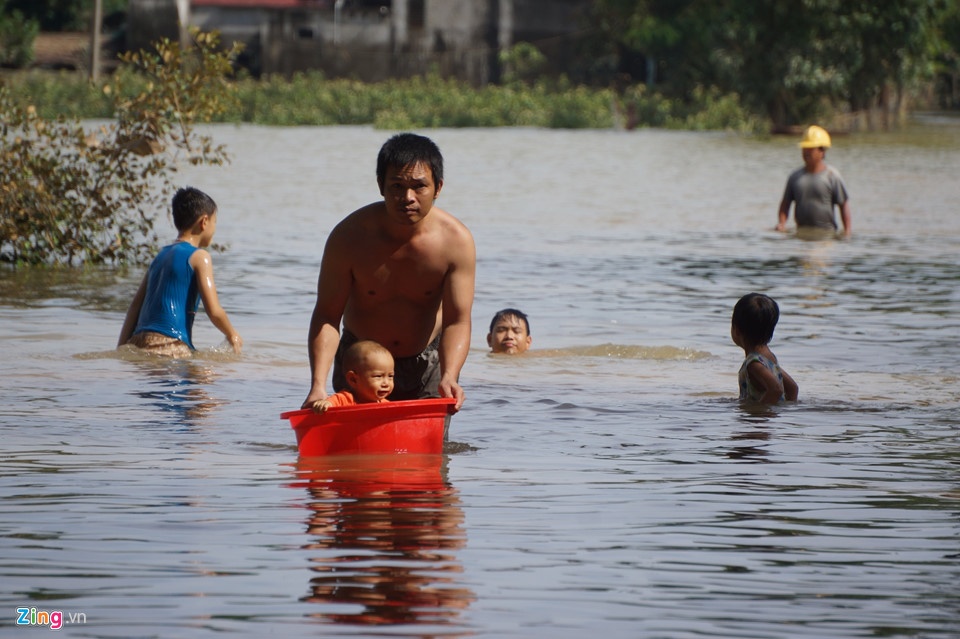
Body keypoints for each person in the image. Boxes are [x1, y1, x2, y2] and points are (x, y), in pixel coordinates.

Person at [302, 133, 476, 411]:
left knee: (430, 453)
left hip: (426, 365)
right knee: (353, 452)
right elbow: (326, 315)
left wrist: (449, 376)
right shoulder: (349, 237)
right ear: (381, 186)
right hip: (361, 364)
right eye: (396, 186)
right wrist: (317, 386)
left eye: (419, 186)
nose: (407, 197)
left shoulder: (456, 242)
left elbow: (457, 320)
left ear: (438, 187)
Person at [118, 186, 243, 358]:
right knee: (207, 381)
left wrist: (121, 348)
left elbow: (134, 307)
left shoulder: (160, 256)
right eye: (215, 222)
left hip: (137, 341)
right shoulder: (200, 257)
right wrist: (232, 334)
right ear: (204, 222)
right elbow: (214, 310)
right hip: (170, 344)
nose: (214, 229)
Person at [775, 125, 852, 238]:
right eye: (804, 148)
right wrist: (782, 224)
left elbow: (843, 205)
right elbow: (785, 204)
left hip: (826, 235)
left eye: (811, 149)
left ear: (822, 151)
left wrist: (847, 231)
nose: (806, 152)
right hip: (801, 234)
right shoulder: (795, 177)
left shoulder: (832, 176)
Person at [731, 292, 798, 404]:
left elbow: (776, 390)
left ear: (736, 330)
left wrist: (760, 413)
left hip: (758, 420)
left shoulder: (754, 364)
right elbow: (793, 389)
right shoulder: (769, 358)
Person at [309, 340, 394, 413]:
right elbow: (330, 403)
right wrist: (325, 404)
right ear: (353, 379)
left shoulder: (385, 404)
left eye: (390, 376)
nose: (386, 383)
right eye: (378, 376)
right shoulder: (344, 399)